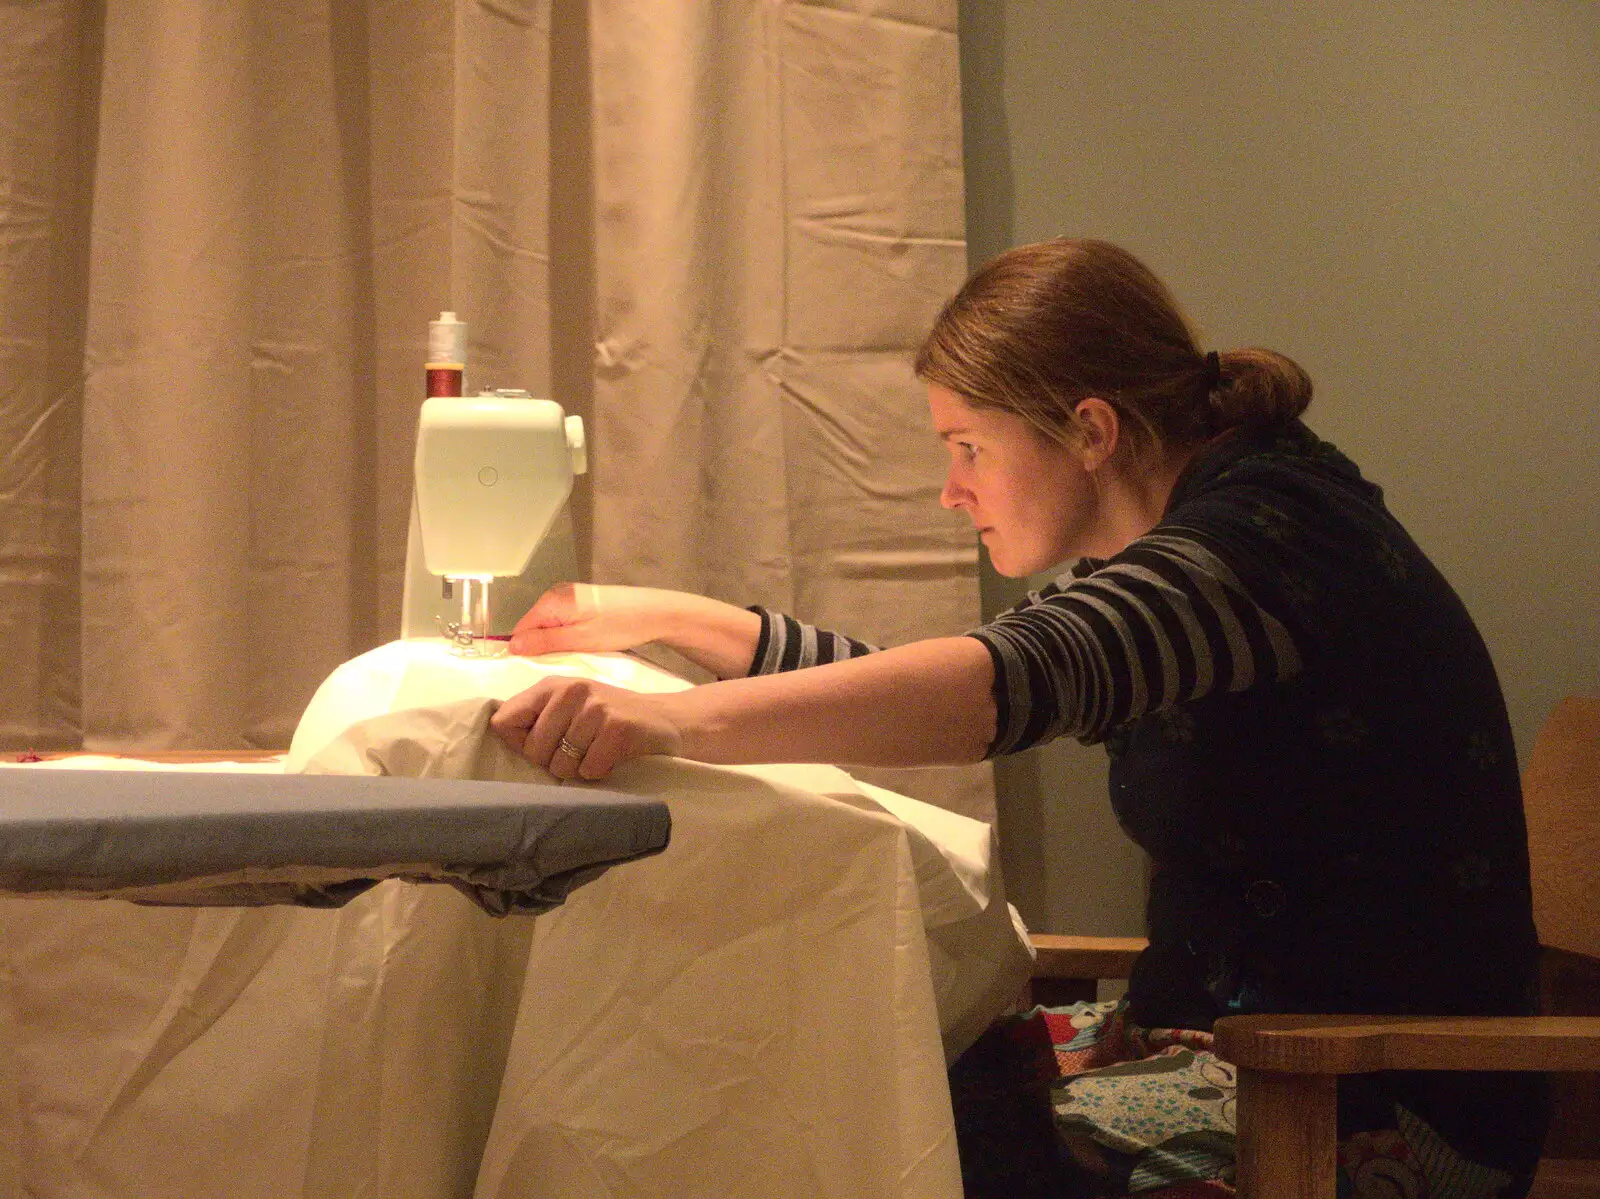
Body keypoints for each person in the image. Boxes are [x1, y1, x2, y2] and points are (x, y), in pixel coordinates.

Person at [491, 238, 1547, 1198]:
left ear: (1088, 429)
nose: (951, 489)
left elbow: (998, 685)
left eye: (967, 447)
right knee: (823, 1068)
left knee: (857, 1120)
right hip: (1228, 1053)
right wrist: (664, 616)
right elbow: (917, 684)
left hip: (1362, 1102)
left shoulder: (1258, 550)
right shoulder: (1199, 547)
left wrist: (665, 724)